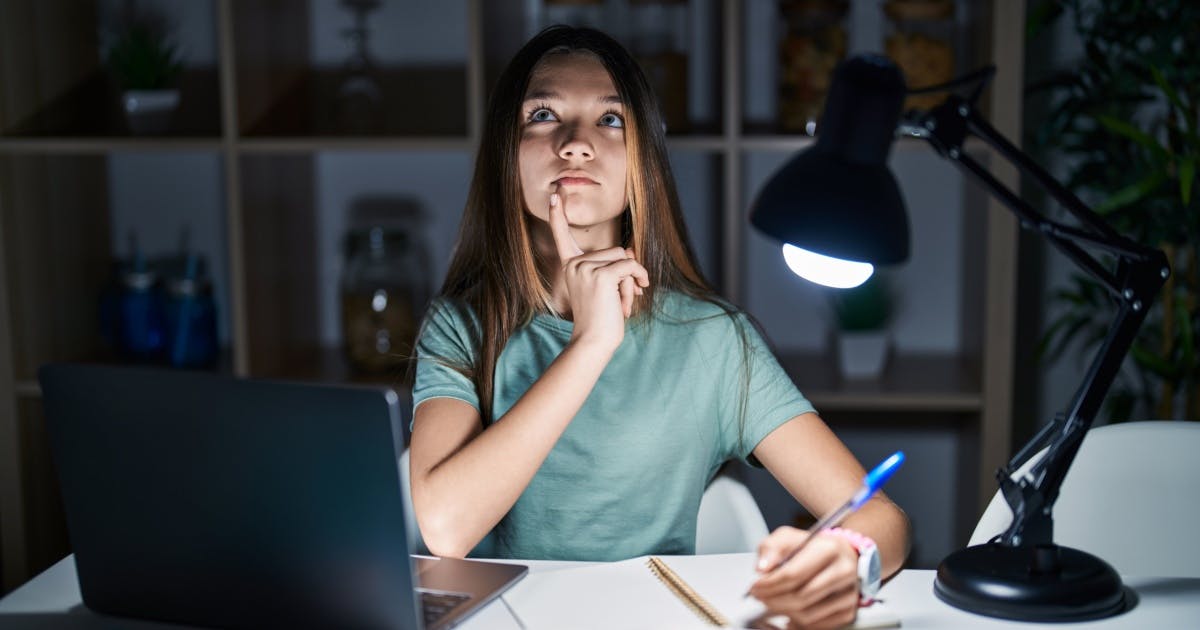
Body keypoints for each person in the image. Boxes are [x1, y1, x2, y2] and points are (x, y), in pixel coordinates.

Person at [409, 25, 911, 629]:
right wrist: (591, 344)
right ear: (504, 154)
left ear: (643, 158)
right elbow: (446, 528)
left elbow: (884, 518)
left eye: (611, 121)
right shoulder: (462, 325)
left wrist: (845, 556)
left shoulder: (714, 340)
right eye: (542, 114)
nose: (575, 144)